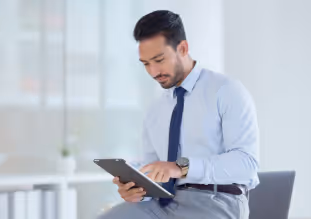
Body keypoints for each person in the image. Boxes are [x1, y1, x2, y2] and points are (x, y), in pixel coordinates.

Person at [99, 10, 259, 219]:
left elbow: (247, 165)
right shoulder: (155, 110)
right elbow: (152, 173)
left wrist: (181, 168)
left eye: (159, 59)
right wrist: (136, 190)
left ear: (183, 48)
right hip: (163, 204)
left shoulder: (226, 90)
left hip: (216, 202)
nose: (153, 72)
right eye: (146, 63)